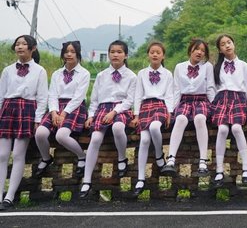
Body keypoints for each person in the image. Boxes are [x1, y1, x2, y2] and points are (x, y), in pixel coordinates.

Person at [79, 40, 136, 198]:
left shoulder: (132, 76)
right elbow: (95, 99)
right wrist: (91, 115)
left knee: (118, 128)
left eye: (119, 52)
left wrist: (114, 112)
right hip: (102, 109)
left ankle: (122, 158)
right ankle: (87, 180)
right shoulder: (101, 75)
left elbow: (130, 100)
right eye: (112, 52)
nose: (115, 55)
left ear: (126, 55)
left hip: (121, 109)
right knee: (95, 138)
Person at [0, 35, 48, 211]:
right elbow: (1, 94)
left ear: (32, 48)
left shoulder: (39, 71)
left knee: (19, 154)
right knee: (2, 155)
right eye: (17, 44)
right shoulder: (8, 70)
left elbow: (42, 98)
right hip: (7, 108)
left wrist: (37, 120)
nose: (20, 47)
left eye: (24, 44)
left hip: (27, 109)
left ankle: (10, 196)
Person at [35, 41, 90, 179]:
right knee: (40, 133)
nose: (69, 54)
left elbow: (78, 97)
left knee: (61, 135)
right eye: (66, 51)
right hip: (56, 106)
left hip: (74, 107)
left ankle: (82, 156)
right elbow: (52, 94)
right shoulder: (56, 74)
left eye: (72, 51)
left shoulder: (84, 73)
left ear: (78, 54)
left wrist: (64, 113)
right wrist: (54, 112)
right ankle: (46, 158)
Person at [162, 38, 215, 177]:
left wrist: (215, 107)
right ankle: (171, 159)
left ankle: (203, 161)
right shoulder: (180, 67)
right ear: (190, 49)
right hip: (185, 100)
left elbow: (210, 88)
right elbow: (176, 90)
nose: (199, 52)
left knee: (200, 118)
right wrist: (171, 110)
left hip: (201, 100)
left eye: (203, 51)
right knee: (180, 119)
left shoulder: (207, 67)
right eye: (197, 49)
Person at [131, 42, 174, 196]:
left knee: (155, 127)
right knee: (143, 140)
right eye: (152, 52)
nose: (155, 55)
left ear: (163, 56)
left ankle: (158, 154)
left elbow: (170, 94)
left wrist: (169, 112)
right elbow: (137, 95)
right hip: (145, 107)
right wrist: (136, 114)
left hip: (160, 105)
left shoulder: (168, 74)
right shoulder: (142, 73)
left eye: (158, 52)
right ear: (148, 54)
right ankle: (141, 178)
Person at [211, 34, 247, 186]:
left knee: (236, 128)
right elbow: (214, 87)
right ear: (220, 50)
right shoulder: (217, 67)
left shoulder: (243, 65)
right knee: (222, 129)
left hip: (238, 99)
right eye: (223, 44)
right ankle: (219, 170)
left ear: (234, 44)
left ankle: (246, 168)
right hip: (222, 99)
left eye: (229, 42)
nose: (227, 45)